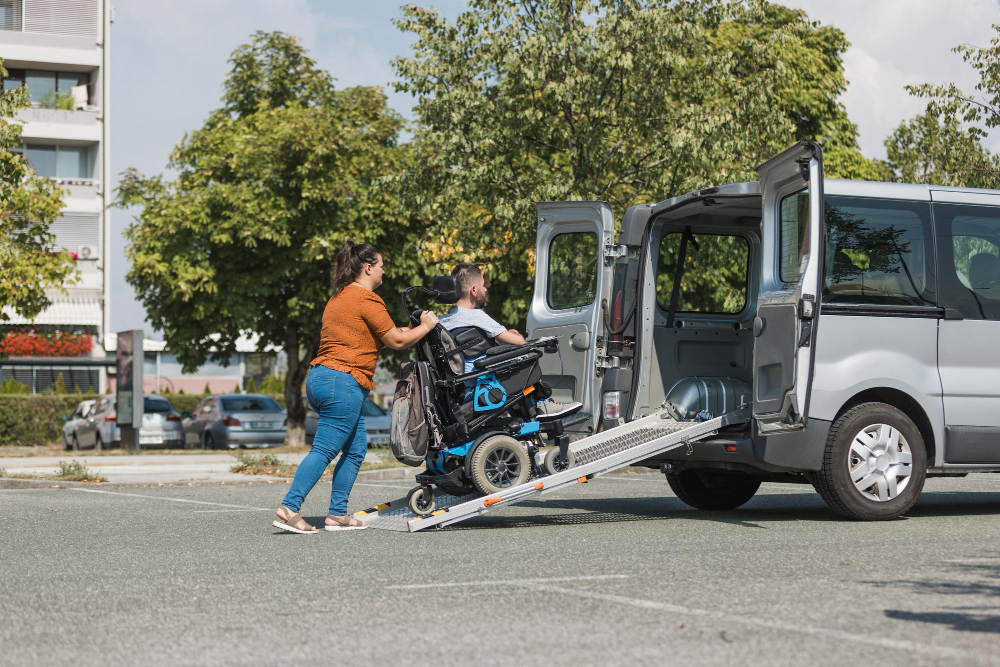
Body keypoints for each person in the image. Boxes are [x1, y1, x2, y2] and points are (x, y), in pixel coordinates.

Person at [273, 241, 438, 534]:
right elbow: (397, 341)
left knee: (355, 448)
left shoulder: (339, 297)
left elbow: (392, 332)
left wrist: (415, 326)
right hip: (343, 380)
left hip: (322, 378)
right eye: (382, 265)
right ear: (369, 267)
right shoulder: (366, 299)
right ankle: (290, 507)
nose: (385, 271)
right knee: (324, 449)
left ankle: (337, 515)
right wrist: (427, 325)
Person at [439, 263, 581, 419]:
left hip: (463, 388)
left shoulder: (443, 322)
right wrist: (511, 334)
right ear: (474, 290)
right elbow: (518, 341)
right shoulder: (476, 316)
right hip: (484, 385)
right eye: (483, 285)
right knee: (528, 354)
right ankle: (542, 404)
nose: (485, 289)